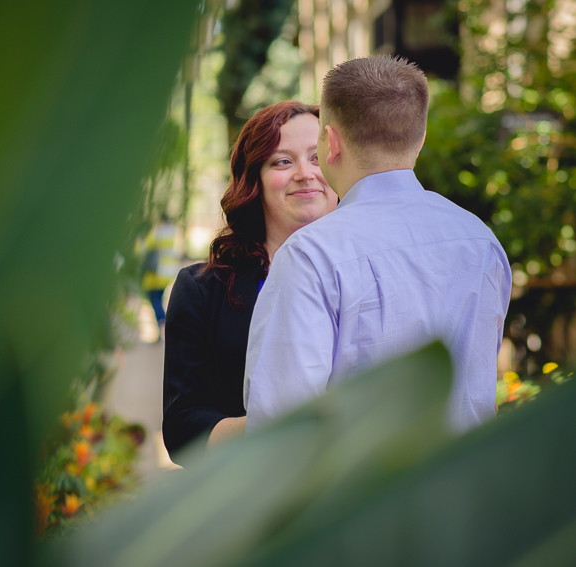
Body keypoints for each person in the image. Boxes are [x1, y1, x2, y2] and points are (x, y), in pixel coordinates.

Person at [244, 55, 512, 433]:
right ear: (419, 141)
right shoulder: (480, 241)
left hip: (359, 491)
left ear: (330, 142)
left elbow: (281, 426)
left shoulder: (312, 255)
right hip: (468, 485)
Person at [163, 100, 338, 462]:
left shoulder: (378, 270)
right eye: (282, 161)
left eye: (317, 157)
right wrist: (279, 431)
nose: (305, 173)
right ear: (254, 179)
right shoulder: (200, 290)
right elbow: (183, 427)